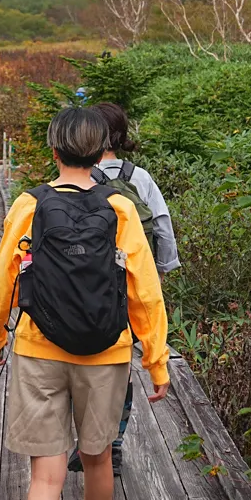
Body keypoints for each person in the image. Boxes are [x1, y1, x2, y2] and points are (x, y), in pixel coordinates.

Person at [0, 105, 170, 500]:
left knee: (44, 475)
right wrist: (156, 362)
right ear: (102, 151)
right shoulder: (120, 208)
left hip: (39, 349)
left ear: (54, 149)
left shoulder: (28, 204)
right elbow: (145, 293)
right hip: (105, 354)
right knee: (98, 458)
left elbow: (3, 282)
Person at [68, 101, 177, 476]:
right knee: (122, 369)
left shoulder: (81, 177)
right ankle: (113, 444)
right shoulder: (140, 177)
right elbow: (161, 224)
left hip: (88, 290)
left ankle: (85, 444)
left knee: (82, 365)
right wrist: (161, 271)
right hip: (130, 289)